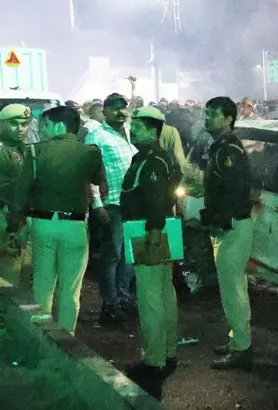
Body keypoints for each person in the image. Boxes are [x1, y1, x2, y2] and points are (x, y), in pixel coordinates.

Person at [8, 106, 105, 335]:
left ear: (59, 126)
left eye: (46, 125)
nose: (42, 130)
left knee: (43, 285)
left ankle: (41, 338)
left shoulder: (35, 151)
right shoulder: (90, 152)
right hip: (75, 226)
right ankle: (67, 337)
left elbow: (21, 193)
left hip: (42, 224)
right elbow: (99, 181)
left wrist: (14, 225)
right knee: (71, 289)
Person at [120, 106, 181, 400]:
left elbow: (157, 199)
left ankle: (153, 362)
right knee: (164, 294)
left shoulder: (153, 160)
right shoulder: (154, 157)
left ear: (153, 131)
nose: (132, 130)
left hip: (149, 231)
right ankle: (167, 353)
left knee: (151, 299)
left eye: (138, 127)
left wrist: (154, 233)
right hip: (159, 229)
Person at [202, 96, 258, 370]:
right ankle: (238, 339)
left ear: (228, 119)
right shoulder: (221, 147)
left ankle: (241, 348)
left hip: (232, 226)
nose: (207, 118)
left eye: (213, 114)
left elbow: (234, 193)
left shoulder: (229, 151)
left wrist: (217, 221)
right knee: (234, 288)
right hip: (230, 225)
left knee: (233, 290)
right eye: (206, 113)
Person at [84, 93, 138, 324]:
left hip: (130, 205)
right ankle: (110, 305)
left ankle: (123, 298)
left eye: (123, 108)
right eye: (114, 108)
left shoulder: (128, 133)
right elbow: (89, 173)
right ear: (104, 111)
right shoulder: (97, 136)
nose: (120, 112)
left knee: (128, 256)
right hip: (111, 205)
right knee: (112, 256)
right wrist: (97, 205)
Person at [0, 104, 31, 287]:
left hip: (18, 218)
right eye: (14, 123)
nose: (20, 129)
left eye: (24, 124)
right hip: (4, 217)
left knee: (14, 271)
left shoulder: (24, 150)